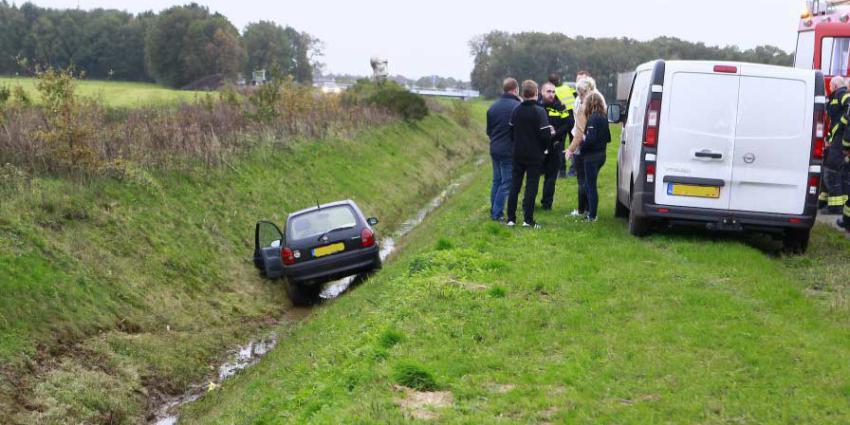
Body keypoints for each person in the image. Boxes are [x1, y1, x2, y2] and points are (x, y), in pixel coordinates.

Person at [506, 80, 553, 228]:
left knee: (515, 185)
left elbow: (511, 132)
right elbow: (545, 135)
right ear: (536, 93)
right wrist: (545, 148)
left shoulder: (516, 110)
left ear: (523, 93)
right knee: (531, 186)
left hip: (518, 153)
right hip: (534, 154)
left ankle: (511, 219)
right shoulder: (540, 111)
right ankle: (528, 220)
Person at [565, 77, 605, 218]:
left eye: (581, 95)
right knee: (589, 182)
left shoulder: (584, 109)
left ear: (585, 93)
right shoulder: (600, 107)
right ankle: (589, 210)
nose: (580, 98)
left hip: (585, 149)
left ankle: (584, 210)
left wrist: (570, 149)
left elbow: (579, 134)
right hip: (599, 151)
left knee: (583, 181)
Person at [486, 78, 521, 222]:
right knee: (507, 183)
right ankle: (497, 213)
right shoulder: (517, 106)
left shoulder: (493, 107)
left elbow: (489, 131)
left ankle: (493, 210)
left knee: (497, 181)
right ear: (516, 89)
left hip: (494, 148)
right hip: (509, 149)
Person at [575, 92, 611, 222]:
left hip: (592, 157)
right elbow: (608, 138)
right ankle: (590, 212)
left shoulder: (593, 119)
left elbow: (590, 139)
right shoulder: (604, 117)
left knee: (590, 186)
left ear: (590, 104)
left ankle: (592, 215)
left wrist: (582, 147)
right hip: (602, 155)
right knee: (590, 185)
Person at [538, 82, 572, 210]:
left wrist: (555, 133)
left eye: (553, 92)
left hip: (555, 146)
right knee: (534, 177)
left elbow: (568, 125)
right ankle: (529, 203)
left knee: (551, 178)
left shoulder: (561, 107)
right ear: (542, 92)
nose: (551, 94)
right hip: (539, 147)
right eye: (548, 91)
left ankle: (546, 205)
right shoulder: (537, 107)